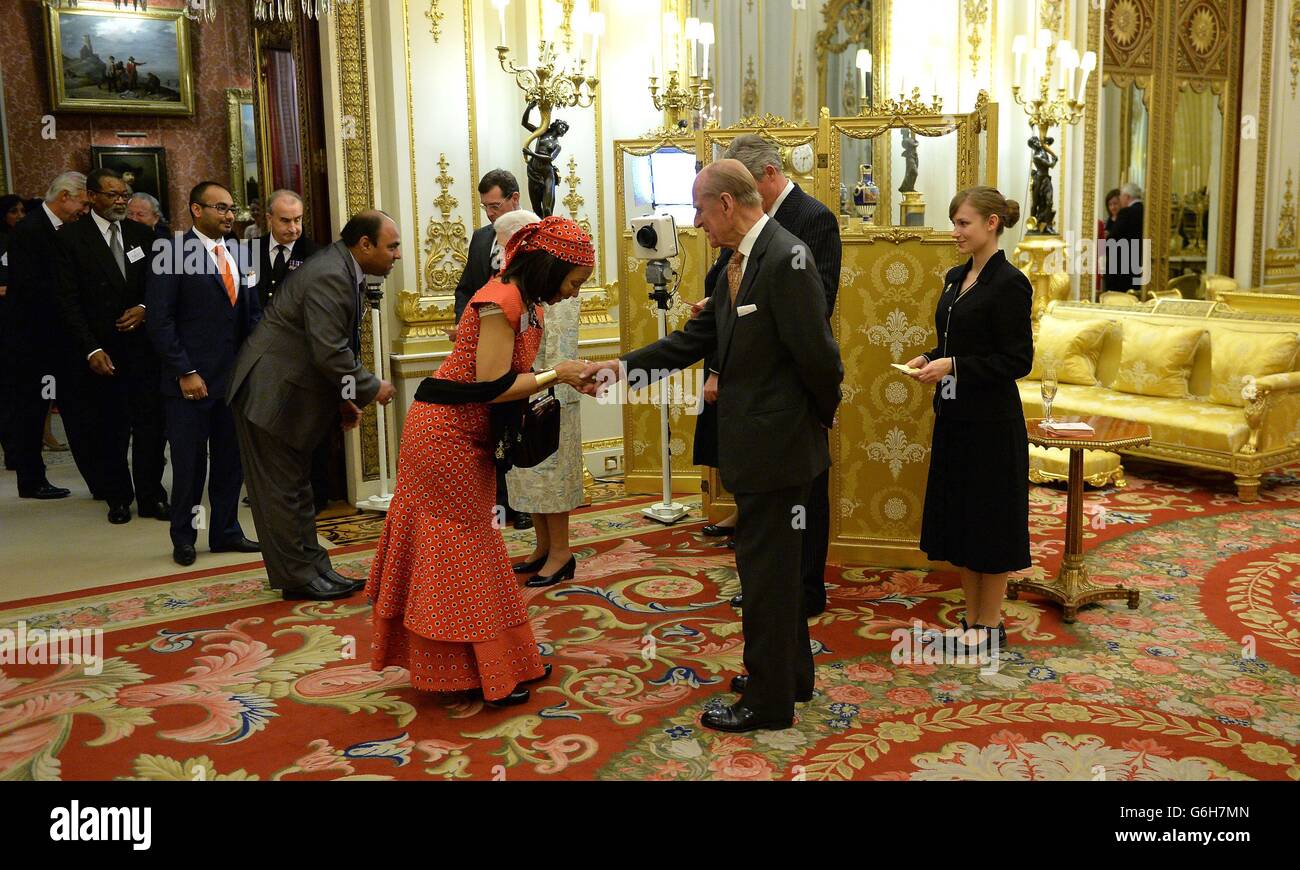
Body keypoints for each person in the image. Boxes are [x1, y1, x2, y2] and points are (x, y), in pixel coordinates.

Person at [582, 161, 843, 733]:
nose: (695, 222)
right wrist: (615, 370)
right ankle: (789, 675)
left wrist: (810, 424)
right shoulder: (739, 260)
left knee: (767, 576)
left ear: (727, 204)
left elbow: (821, 359)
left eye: (700, 209)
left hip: (779, 450)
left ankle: (768, 703)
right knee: (774, 572)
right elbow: (694, 340)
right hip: (758, 446)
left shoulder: (785, 257)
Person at [367, 215, 594, 706]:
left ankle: (502, 664)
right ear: (550, 267)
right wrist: (558, 373)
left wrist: (560, 375)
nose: (574, 294)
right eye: (574, 283)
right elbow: (490, 389)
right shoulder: (502, 301)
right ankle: (480, 674)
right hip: (444, 439)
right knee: (462, 555)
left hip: (463, 437)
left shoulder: (522, 300)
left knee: (473, 553)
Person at [705, 134, 842, 616]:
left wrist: (822, 408)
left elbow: (818, 303)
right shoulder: (740, 224)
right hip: (748, 378)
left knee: (805, 503)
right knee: (770, 527)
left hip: (792, 389)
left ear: (765, 175)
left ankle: (804, 590)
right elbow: (726, 280)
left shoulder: (812, 219)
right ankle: (777, 594)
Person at [228, 210, 397, 601]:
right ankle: (297, 577)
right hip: (270, 395)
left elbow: (327, 347)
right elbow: (329, 351)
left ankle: (314, 566)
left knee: (298, 489)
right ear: (365, 244)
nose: (397, 255)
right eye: (392, 246)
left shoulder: (340, 268)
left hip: (291, 394)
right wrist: (370, 388)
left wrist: (344, 399)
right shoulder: (330, 273)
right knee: (280, 493)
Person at [904, 186, 1033, 658]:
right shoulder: (955, 278)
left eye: (964, 223)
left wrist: (953, 366)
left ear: (992, 223)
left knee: (990, 522)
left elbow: (1017, 360)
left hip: (993, 423)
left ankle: (990, 623)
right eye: (955, 222)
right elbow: (958, 343)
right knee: (961, 518)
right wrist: (931, 358)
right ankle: (971, 618)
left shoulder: (1010, 283)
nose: (955, 231)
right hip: (955, 416)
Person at [146, 181, 262, 566]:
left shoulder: (242, 254)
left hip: (233, 381)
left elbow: (252, 316)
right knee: (190, 464)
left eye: (231, 208)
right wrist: (186, 371)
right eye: (220, 208)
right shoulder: (172, 253)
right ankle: (184, 537)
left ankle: (226, 531)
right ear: (196, 210)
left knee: (231, 461)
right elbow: (160, 322)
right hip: (190, 383)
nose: (229, 215)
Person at [55, 168, 169, 524]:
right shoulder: (70, 238)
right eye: (112, 195)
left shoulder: (142, 234)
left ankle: (152, 495)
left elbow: (160, 285)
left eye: (124, 195)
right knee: (110, 429)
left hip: (144, 350)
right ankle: (118, 497)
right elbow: (66, 301)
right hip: (102, 351)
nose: (120, 201)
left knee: (151, 427)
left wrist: (146, 309)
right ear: (91, 196)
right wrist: (90, 349)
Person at [489, 210, 585, 586]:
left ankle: (561, 553)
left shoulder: (558, 287)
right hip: (526, 390)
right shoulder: (524, 283)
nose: (501, 249)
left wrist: (535, 384)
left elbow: (555, 351)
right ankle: (543, 546)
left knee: (551, 477)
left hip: (550, 394)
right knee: (530, 476)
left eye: (504, 241)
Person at [3, 173, 89, 500]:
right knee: (31, 411)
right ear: (65, 196)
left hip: (58, 339)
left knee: (74, 411)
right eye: (82, 203)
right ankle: (31, 479)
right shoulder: (30, 230)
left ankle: (96, 478)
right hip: (33, 341)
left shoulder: (65, 229)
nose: (84, 210)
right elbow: (31, 288)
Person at [453, 168, 530, 531]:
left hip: (523, 349)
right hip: (484, 351)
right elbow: (466, 288)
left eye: (495, 206)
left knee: (521, 426)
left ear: (514, 199)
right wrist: (462, 322)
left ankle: (526, 501)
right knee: (489, 426)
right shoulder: (482, 238)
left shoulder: (536, 236)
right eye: (485, 207)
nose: (490, 215)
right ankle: (498, 501)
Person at [255, 189, 320, 310]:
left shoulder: (315, 255)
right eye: (285, 221)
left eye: (297, 220)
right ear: (270, 219)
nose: (293, 228)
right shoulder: (248, 250)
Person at [0, 194, 26, 469]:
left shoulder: (20, 241)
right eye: (13, 211)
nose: (20, 216)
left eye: (22, 211)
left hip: (16, 323)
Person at [1104, 182, 1145, 294]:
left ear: (1127, 197)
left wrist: (1106, 237)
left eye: (1121, 196)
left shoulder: (1126, 212)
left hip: (1121, 269)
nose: (1121, 199)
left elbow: (1112, 240)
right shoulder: (1145, 211)